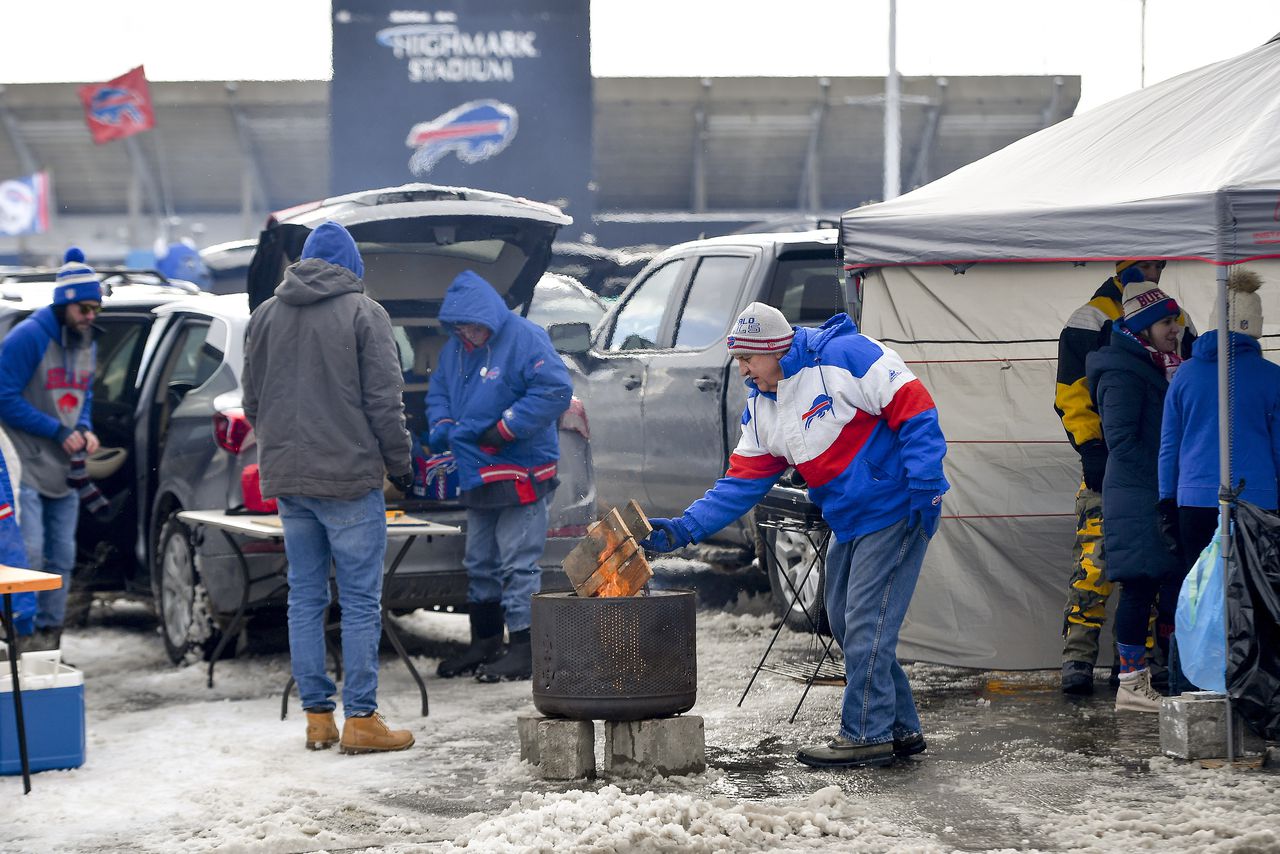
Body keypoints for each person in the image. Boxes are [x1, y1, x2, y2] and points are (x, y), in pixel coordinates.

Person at [643, 302, 948, 769]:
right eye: (738, 359)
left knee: (866, 622)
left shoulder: (846, 355)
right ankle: (900, 728)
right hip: (850, 519)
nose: (742, 369)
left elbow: (915, 407)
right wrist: (685, 528)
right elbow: (741, 481)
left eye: (748, 359)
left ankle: (865, 733)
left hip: (896, 505)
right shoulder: (763, 403)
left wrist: (926, 483)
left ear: (774, 349)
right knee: (845, 622)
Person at [242, 221, 416, 754]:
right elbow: (384, 401)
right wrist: (401, 464)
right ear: (353, 268)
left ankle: (318, 718)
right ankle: (361, 719)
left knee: (305, 597)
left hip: (289, 481)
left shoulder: (265, 316)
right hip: (348, 479)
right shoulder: (365, 313)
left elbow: (252, 402)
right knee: (361, 602)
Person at [1053, 259, 1195, 694]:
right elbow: (1071, 391)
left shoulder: (1176, 316)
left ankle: (1130, 668)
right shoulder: (1093, 315)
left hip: (1159, 473)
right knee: (1095, 565)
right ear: (1123, 264)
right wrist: (1091, 448)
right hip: (1110, 468)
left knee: (1149, 571)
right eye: (1143, 263)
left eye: (1159, 262)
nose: (1153, 268)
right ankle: (1078, 657)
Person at [426, 270, 573, 683]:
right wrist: (442, 422)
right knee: (480, 562)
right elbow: (439, 390)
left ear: (489, 318)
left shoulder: (525, 338)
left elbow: (554, 389)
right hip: (478, 471)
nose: (469, 336)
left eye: (474, 328)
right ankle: (486, 643)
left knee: (517, 565)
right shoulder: (455, 349)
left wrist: (506, 428)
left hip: (521, 469)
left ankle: (524, 649)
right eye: (461, 329)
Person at [1086, 279, 1186, 713]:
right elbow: (1122, 440)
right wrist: (1166, 475)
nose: (1174, 329)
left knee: (1166, 583)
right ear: (1143, 325)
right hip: (1138, 492)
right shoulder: (1121, 371)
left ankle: (1159, 676)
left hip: (1154, 491)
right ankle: (1131, 684)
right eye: (1165, 321)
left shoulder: (1158, 364)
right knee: (1139, 586)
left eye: (1175, 320)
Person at [0, 248, 102, 652]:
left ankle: (49, 639)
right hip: (24, 463)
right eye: (84, 308)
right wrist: (58, 430)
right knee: (32, 554)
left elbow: (84, 396)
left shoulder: (86, 340)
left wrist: (85, 428)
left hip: (64, 469)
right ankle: (20, 636)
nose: (91, 317)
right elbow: (3, 396)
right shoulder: (27, 337)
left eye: (96, 309)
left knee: (63, 556)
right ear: (63, 304)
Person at [1160, 267, 1280, 603]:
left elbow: (1169, 445)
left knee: (1201, 599)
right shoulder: (1272, 377)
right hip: (1258, 501)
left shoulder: (1184, 376)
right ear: (1255, 326)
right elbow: (1279, 446)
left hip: (1193, 501)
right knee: (1253, 599)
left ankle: (1202, 657)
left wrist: (1166, 498)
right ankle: (1244, 657)